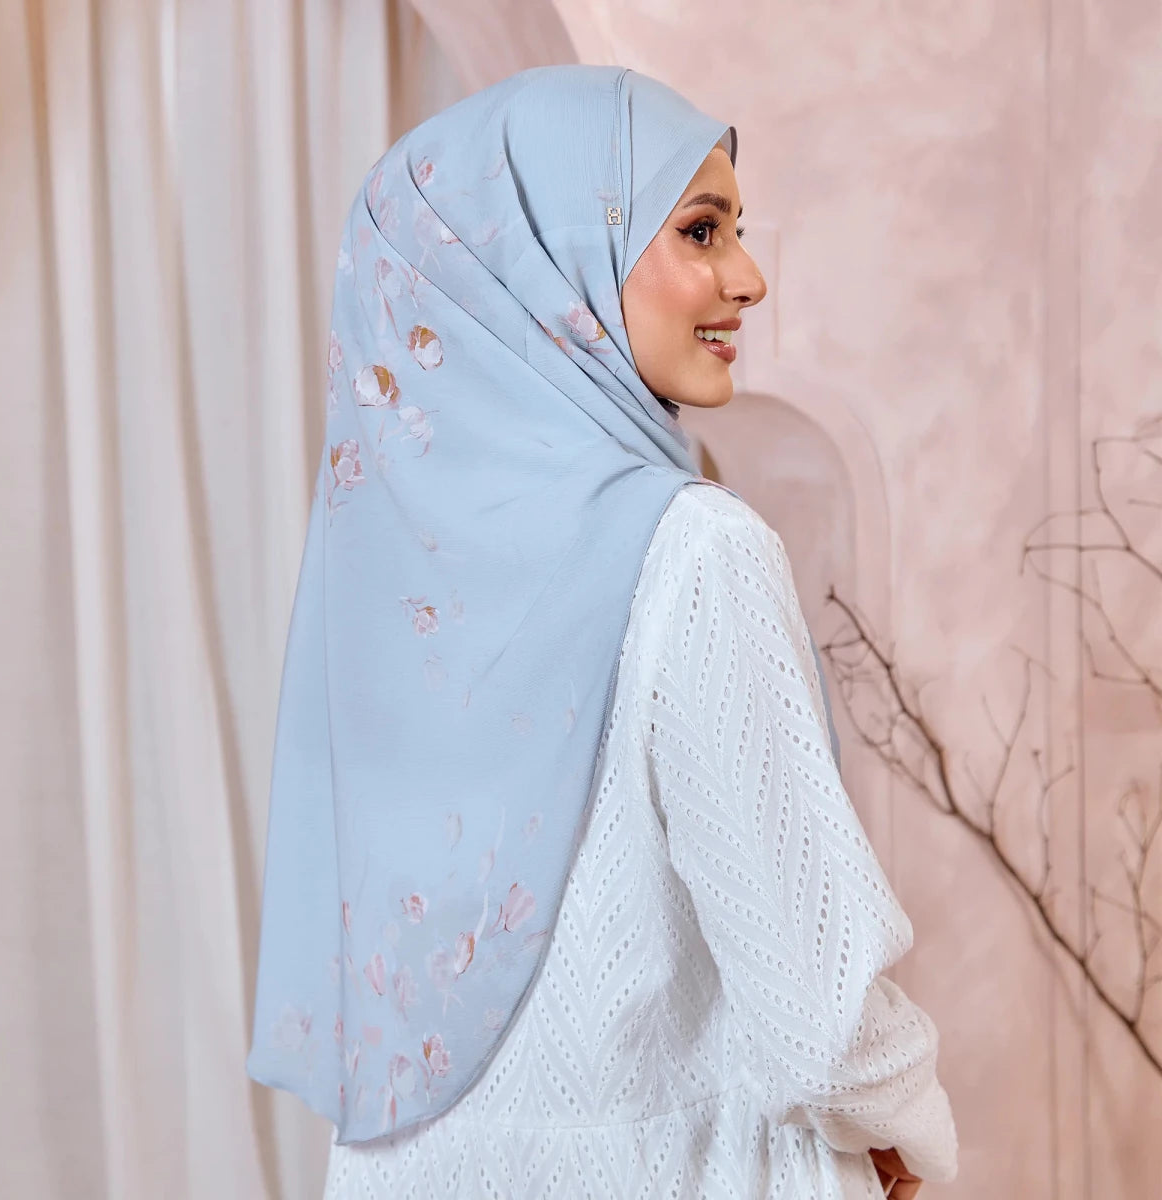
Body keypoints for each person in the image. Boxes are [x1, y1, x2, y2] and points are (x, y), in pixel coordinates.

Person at [246, 64, 959, 1199]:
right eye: (701, 230)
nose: (749, 278)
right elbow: (817, 1005)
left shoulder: (395, 591)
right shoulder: (695, 554)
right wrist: (902, 1119)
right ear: (551, 263)